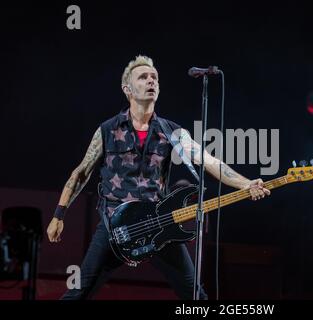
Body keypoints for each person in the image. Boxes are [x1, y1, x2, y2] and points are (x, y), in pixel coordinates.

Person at [46, 55, 270, 300]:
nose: (151, 81)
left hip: (158, 223)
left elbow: (208, 160)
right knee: (78, 292)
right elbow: (80, 173)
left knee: (195, 296)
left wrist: (246, 183)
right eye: (143, 77)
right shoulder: (108, 129)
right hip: (115, 225)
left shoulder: (170, 131)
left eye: (155, 77)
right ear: (127, 89)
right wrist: (59, 214)